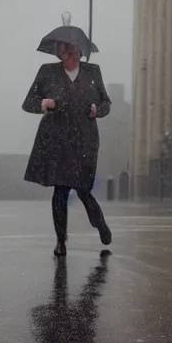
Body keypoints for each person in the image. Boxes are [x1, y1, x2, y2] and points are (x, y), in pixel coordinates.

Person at [22, 41, 112, 256]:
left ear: (80, 53)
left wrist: (96, 110)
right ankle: (61, 241)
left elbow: (106, 103)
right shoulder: (47, 72)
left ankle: (100, 224)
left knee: (83, 190)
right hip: (57, 140)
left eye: (71, 52)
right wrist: (44, 103)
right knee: (60, 191)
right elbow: (28, 103)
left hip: (85, 141)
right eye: (63, 52)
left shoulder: (92, 72)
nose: (67, 57)